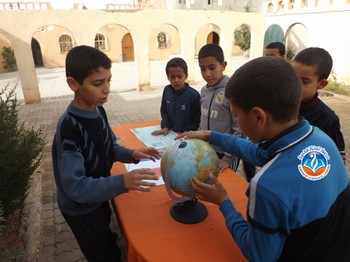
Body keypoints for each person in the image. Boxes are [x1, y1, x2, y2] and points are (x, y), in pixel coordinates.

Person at [177, 57, 350, 261]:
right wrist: (212, 135)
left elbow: (259, 255)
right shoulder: (320, 138)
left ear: (259, 117)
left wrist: (223, 202)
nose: (237, 122)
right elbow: (259, 153)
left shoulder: (267, 187)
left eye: (238, 115)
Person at [52, 45, 160, 262]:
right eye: (98, 83)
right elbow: (76, 187)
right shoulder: (69, 127)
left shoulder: (98, 110)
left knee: (104, 229)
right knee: (103, 254)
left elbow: (108, 147)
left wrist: (133, 154)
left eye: (109, 80)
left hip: (98, 196)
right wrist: (122, 182)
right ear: (74, 84)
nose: (107, 89)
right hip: (81, 210)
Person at [198, 43, 255, 179]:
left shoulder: (232, 91)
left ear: (223, 65)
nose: (207, 74)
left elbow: (240, 129)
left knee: (224, 184)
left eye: (212, 68)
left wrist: (228, 159)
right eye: (202, 69)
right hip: (206, 149)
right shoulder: (204, 91)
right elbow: (202, 121)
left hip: (227, 152)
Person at [292, 47, 346, 164]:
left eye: (304, 82)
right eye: (292, 78)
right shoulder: (280, 105)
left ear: (321, 84)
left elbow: (337, 160)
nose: (295, 85)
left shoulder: (327, 119)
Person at [151, 57, 201, 136]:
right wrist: (165, 126)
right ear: (168, 77)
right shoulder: (167, 90)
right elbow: (164, 110)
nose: (176, 80)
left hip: (187, 135)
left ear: (186, 76)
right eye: (172, 77)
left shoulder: (193, 95)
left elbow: (197, 118)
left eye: (180, 76)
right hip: (170, 133)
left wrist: (188, 131)